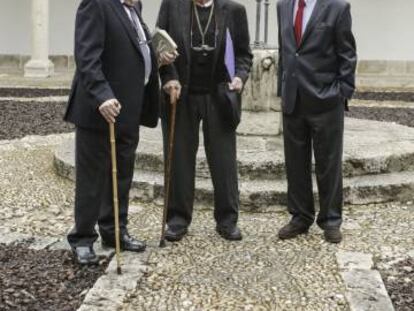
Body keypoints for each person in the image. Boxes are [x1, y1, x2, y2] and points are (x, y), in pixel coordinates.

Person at [64, 0, 173, 265]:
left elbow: (131, 53)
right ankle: (82, 238)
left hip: (128, 108)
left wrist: (158, 57)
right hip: (99, 108)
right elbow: (87, 55)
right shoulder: (96, 4)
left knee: (122, 174)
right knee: (92, 178)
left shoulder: (135, 8)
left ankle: (114, 231)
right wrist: (102, 95)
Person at [156, 0, 253, 242]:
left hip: (218, 95)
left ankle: (227, 220)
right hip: (181, 94)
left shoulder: (234, 11)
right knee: (179, 159)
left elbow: (243, 55)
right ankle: (177, 220)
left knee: (224, 161)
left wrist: (240, 77)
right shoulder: (171, 6)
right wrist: (168, 78)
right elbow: (159, 48)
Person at [276, 0, 357, 243]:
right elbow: (286, 50)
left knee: (328, 163)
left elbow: (347, 53)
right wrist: (283, 89)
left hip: (326, 100)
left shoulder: (337, 8)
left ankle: (331, 220)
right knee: (295, 163)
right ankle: (300, 217)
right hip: (293, 100)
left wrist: (342, 92)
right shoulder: (283, 6)